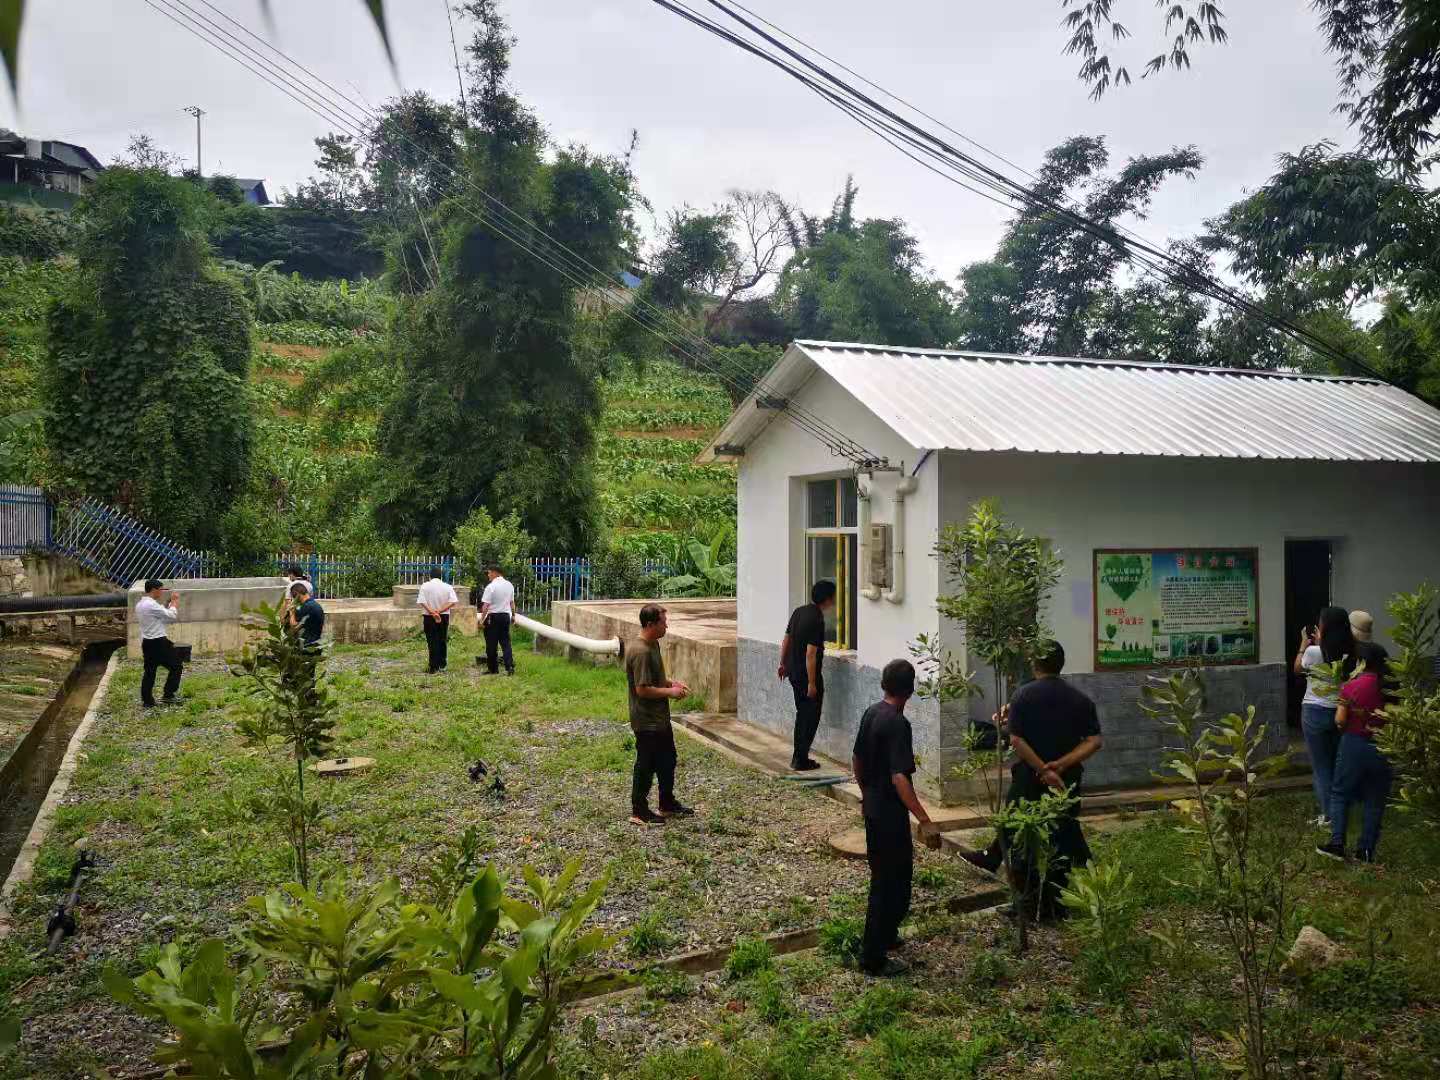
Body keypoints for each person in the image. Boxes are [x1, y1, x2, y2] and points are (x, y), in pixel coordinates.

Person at [960, 640, 1102, 918]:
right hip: (1067, 780)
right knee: (1061, 838)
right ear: (1061, 664)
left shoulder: (1023, 696)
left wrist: (1043, 769)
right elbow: (1094, 741)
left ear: (1035, 664)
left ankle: (1025, 904)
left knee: (1022, 837)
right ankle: (1054, 906)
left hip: (1029, 778)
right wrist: (1061, 765)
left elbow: (1016, 740)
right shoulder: (1080, 699)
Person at [852, 658, 939, 976]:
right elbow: (899, 777)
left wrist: (866, 792)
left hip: (874, 810)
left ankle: (886, 936)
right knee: (891, 885)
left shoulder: (872, 712)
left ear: (883, 684)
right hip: (889, 816)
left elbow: (857, 759)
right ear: (910, 690)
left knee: (888, 878)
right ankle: (872, 957)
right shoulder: (898, 724)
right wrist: (924, 819)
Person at [1317, 641, 1394, 863]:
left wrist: (1345, 725)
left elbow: (1340, 720)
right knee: (1375, 799)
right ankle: (1366, 851)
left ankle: (1337, 844)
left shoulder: (1351, 686)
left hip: (1354, 743)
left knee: (1340, 793)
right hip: (1384, 745)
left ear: (1362, 662)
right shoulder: (1390, 687)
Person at [625, 603, 694, 826]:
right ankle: (639, 811)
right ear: (650, 624)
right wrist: (670, 693)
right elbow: (642, 689)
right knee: (646, 765)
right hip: (647, 721)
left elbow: (655, 678)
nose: (667, 626)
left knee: (668, 760)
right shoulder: (641, 651)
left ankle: (667, 803)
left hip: (659, 719)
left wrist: (671, 683)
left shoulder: (653, 644)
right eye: (663, 622)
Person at [1295, 606, 1357, 826]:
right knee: (1336, 763)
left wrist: (1303, 646)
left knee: (1321, 766)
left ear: (1324, 627)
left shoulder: (1314, 652)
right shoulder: (1352, 653)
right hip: (1341, 711)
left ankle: (1330, 816)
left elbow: (1298, 669)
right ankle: (1341, 808)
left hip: (1315, 711)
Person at [778, 580, 838, 771]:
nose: (834, 601)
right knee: (810, 717)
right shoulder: (817, 619)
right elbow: (811, 654)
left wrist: (782, 663)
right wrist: (812, 683)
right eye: (833, 597)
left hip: (793, 672)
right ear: (827, 599)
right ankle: (800, 759)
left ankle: (799, 757)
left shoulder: (799, 611)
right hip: (806, 676)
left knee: (802, 715)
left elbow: (786, 639)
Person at [136, 579, 184, 708]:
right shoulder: (151, 605)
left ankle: (147, 701)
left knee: (149, 672)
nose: (162, 592)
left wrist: (168, 605)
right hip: (159, 642)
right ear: (154, 590)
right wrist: (174, 602)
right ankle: (168, 695)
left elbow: (160, 617)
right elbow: (171, 615)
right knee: (177, 666)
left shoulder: (140, 604)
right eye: (161, 589)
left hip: (147, 642)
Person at [418, 566, 458, 674]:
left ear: (430, 576)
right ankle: (442, 665)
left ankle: (433, 666)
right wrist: (439, 611)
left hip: (429, 616)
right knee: (442, 639)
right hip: (443, 616)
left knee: (432, 641)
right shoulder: (447, 586)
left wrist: (433, 612)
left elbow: (422, 602)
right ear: (441, 576)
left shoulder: (425, 586)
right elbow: (453, 601)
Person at [479, 565, 516, 676]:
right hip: (505, 616)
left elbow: (485, 606)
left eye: (489, 573)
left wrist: (481, 620)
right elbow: (512, 602)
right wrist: (513, 616)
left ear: (495, 573)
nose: (488, 575)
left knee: (491, 643)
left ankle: (493, 669)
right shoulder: (509, 585)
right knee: (506, 643)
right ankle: (509, 666)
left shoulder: (491, 587)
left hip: (493, 617)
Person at [285, 581, 325, 652]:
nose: (293, 599)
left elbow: (294, 627)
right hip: (316, 644)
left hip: (306, 646)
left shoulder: (306, 607)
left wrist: (291, 612)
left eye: (293, 597)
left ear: (297, 594)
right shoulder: (316, 605)